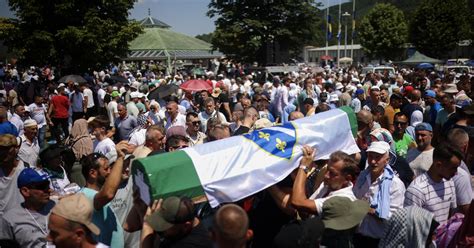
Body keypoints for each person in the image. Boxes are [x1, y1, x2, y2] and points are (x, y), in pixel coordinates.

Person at [353, 141, 406, 247]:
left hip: (379, 242)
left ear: (387, 160)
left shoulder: (395, 184)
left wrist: (370, 210)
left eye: (378, 157)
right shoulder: (363, 177)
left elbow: (394, 220)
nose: (373, 161)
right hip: (357, 237)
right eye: (370, 156)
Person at [79, 142, 128, 247]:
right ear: (92, 173)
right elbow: (108, 194)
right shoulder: (85, 196)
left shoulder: (95, 193)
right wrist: (120, 158)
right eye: (106, 169)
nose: (110, 172)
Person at [404, 144, 462, 225]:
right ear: (438, 165)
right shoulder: (416, 190)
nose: (456, 173)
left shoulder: (450, 182)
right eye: (453, 168)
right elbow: (410, 225)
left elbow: (450, 214)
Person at [290, 147, 359, 215]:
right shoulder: (328, 185)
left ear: (347, 179)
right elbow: (305, 210)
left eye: (332, 173)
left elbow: (298, 202)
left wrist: (304, 166)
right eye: (327, 169)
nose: (326, 175)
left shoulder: (342, 200)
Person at [0, 168, 55, 247]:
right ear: (25, 191)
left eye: (48, 184)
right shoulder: (10, 219)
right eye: (43, 186)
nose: (49, 190)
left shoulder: (58, 207)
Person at [141, 196, 213, 248]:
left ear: (186, 226)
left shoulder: (191, 244)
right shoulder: (178, 232)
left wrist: (147, 226)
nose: (162, 230)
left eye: (165, 226)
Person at [0, 134, 25, 215]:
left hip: (21, 220)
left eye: (7, 149)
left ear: (16, 149)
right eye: (1, 149)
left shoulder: (26, 170)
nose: (3, 152)